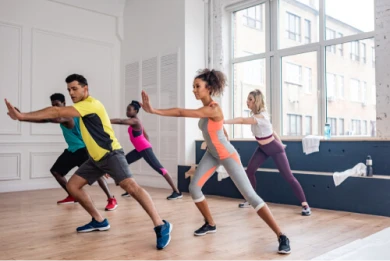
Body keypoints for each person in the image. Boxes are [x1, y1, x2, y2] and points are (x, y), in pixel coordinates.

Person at [4, 74, 172, 250]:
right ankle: (99, 220)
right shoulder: (79, 108)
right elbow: (52, 118)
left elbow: (56, 112)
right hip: (95, 158)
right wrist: (22, 117)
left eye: (74, 88)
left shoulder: (91, 104)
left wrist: (22, 116)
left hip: (111, 154)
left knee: (131, 187)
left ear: (86, 89)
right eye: (69, 90)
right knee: (73, 186)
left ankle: (161, 225)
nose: (71, 92)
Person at [140, 69, 291, 254]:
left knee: (251, 197)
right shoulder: (206, 109)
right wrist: (219, 136)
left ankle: (281, 235)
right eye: (193, 87)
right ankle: (210, 223)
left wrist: (154, 110)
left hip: (227, 155)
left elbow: (180, 112)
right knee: (194, 188)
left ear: (208, 88)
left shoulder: (212, 108)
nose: (194, 90)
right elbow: (218, 130)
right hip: (212, 153)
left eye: (197, 86)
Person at [18, 93, 117, 210]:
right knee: (56, 171)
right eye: (53, 105)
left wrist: (23, 116)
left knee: (98, 176)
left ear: (64, 103)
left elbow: (49, 119)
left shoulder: (67, 116)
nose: (55, 107)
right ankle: (72, 195)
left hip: (83, 150)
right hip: (72, 150)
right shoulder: (66, 114)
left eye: (58, 104)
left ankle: (111, 199)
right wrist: (23, 117)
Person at [224, 89, 311, 216]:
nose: (247, 102)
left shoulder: (261, 116)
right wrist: (280, 141)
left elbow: (242, 120)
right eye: (247, 99)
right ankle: (251, 199)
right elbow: (272, 130)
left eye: (250, 100)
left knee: (288, 177)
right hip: (262, 149)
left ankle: (305, 205)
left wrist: (223, 122)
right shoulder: (256, 116)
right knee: (250, 171)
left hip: (274, 149)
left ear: (256, 101)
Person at [110, 100, 182, 200]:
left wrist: (106, 120)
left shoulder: (135, 121)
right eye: (127, 110)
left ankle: (177, 192)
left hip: (144, 149)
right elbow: (146, 135)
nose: (127, 112)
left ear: (135, 111)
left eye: (129, 110)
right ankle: (130, 189)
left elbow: (121, 121)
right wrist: (147, 145)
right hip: (140, 149)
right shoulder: (136, 120)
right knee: (124, 163)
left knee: (159, 169)